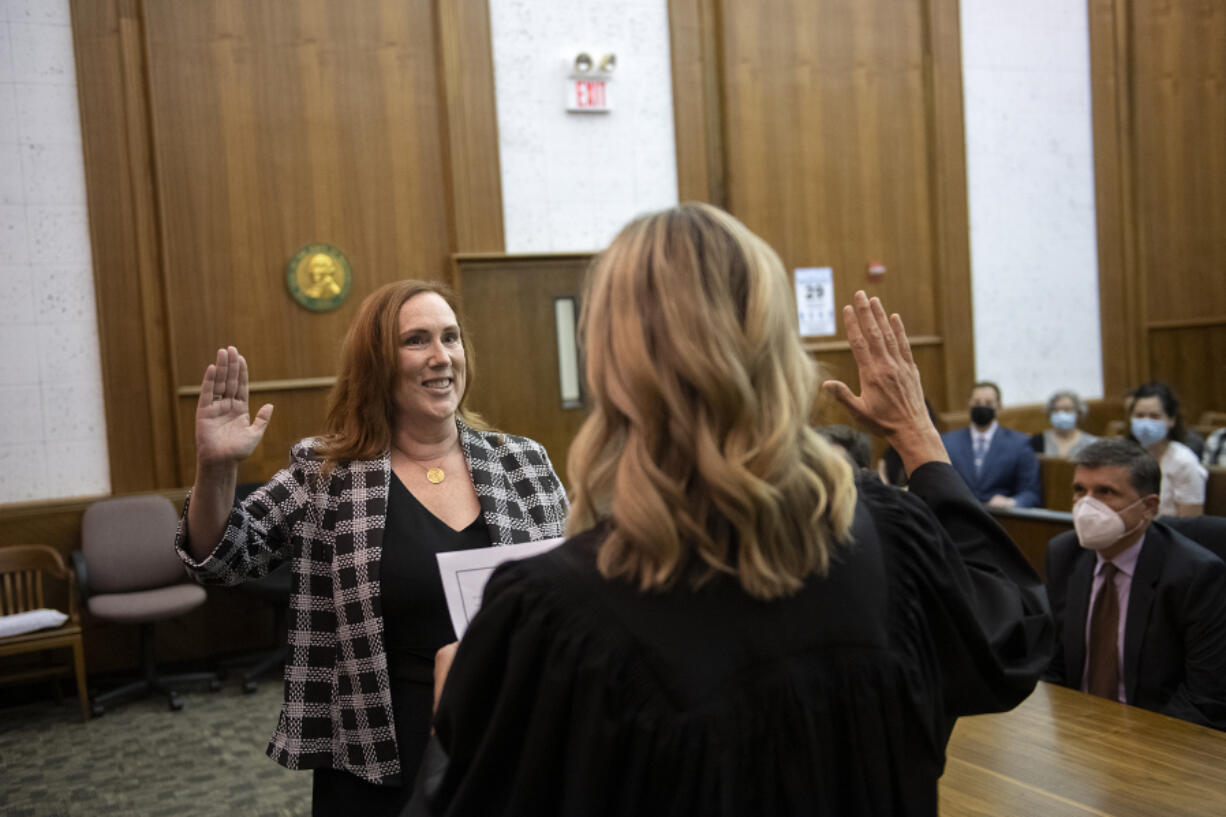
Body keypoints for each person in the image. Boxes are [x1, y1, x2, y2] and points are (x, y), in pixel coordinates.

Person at [413, 204, 1052, 816]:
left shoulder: (551, 612)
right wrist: (917, 437)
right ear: (779, 347)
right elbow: (1012, 636)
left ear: (608, 365)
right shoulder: (892, 538)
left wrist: (453, 733)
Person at [174, 280, 568, 816]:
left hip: (509, 728)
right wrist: (216, 469)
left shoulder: (522, 462)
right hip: (378, 743)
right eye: (416, 341)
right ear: (377, 363)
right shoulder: (328, 472)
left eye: (450, 337)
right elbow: (222, 559)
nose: (440, 356)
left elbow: (570, 590)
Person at [1043, 439, 1226, 730]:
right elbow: (1052, 662)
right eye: (1080, 490)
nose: (1086, 504)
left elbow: (1205, 698)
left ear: (1148, 507)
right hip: (1077, 730)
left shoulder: (1194, 575)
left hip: (1156, 740)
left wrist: (1132, 745)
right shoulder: (1064, 554)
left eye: (1105, 492)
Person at [941, 381, 1041, 507]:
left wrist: (1011, 502)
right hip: (959, 515)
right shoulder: (947, 441)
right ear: (969, 406)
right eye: (977, 403)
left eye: (988, 403)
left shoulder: (1020, 444)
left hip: (1002, 518)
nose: (982, 406)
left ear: (999, 408)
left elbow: (1030, 494)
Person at [1127, 381, 1205, 517]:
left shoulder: (1184, 462)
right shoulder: (1125, 456)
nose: (1145, 423)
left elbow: (1191, 525)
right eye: (1139, 416)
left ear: (1171, 420)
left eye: (1154, 416)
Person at [1030, 390, 1098, 458]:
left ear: (1078, 413)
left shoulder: (1091, 443)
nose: (1061, 414)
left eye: (1067, 409)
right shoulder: (1038, 441)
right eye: (1056, 410)